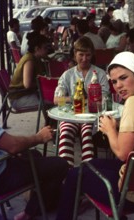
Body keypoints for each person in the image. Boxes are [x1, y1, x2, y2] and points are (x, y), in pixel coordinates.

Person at [0, 44, 70, 220]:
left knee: (36, 157)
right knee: (60, 165)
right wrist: (39, 137)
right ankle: (29, 214)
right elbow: (13, 146)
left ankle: (43, 199)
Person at [55, 51, 134, 220]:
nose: (118, 85)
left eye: (124, 78)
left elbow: (122, 154)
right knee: (90, 165)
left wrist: (110, 130)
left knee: (74, 175)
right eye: (115, 81)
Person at [53, 36, 109, 167]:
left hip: (91, 118)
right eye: (81, 55)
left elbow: (105, 98)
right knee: (65, 132)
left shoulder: (100, 74)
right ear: (74, 55)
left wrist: (92, 102)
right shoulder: (67, 75)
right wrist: (75, 99)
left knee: (87, 133)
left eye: (88, 55)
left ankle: (87, 172)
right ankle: (66, 171)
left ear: (92, 55)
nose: (84, 59)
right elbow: (57, 100)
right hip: (70, 117)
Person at [9, 32, 49, 110]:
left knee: (52, 99)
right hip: (19, 98)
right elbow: (27, 84)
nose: (47, 50)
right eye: (45, 48)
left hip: (27, 94)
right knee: (52, 102)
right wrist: (45, 84)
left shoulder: (36, 58)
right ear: (37, 49)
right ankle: (50, 122)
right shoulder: (29, 60)